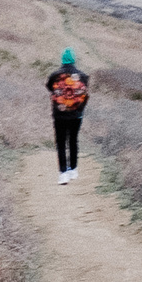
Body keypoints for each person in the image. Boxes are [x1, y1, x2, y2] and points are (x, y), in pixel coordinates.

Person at [46, 49, 89, 184]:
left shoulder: (55, 75)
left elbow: (49, 87)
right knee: (73, 140)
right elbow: (85, 94)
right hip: (76, 114)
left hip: (59, 114)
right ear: (74, 59)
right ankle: (73, 169)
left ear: (62, 59)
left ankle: (63, 173)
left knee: (60, 143)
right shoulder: (83, 76)